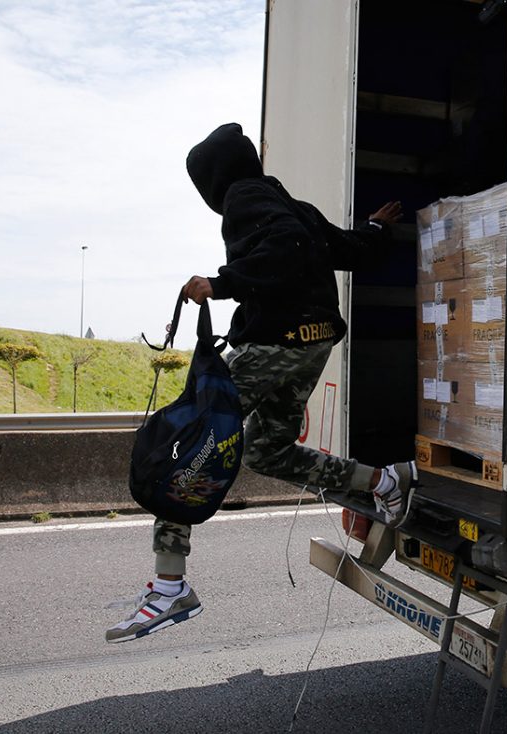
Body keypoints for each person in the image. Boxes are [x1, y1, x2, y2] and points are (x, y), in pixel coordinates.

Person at [106, 122, 417, 644]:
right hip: (313, 342)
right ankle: (385, 482)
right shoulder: (288, 202)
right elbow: (343, 249)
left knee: (186, 447)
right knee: (267, 451)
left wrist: (222, 283)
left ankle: (168, 587)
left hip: (274, 343)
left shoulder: (243, 198)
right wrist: (377, 228)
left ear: (213, 180)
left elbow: (286, 249)